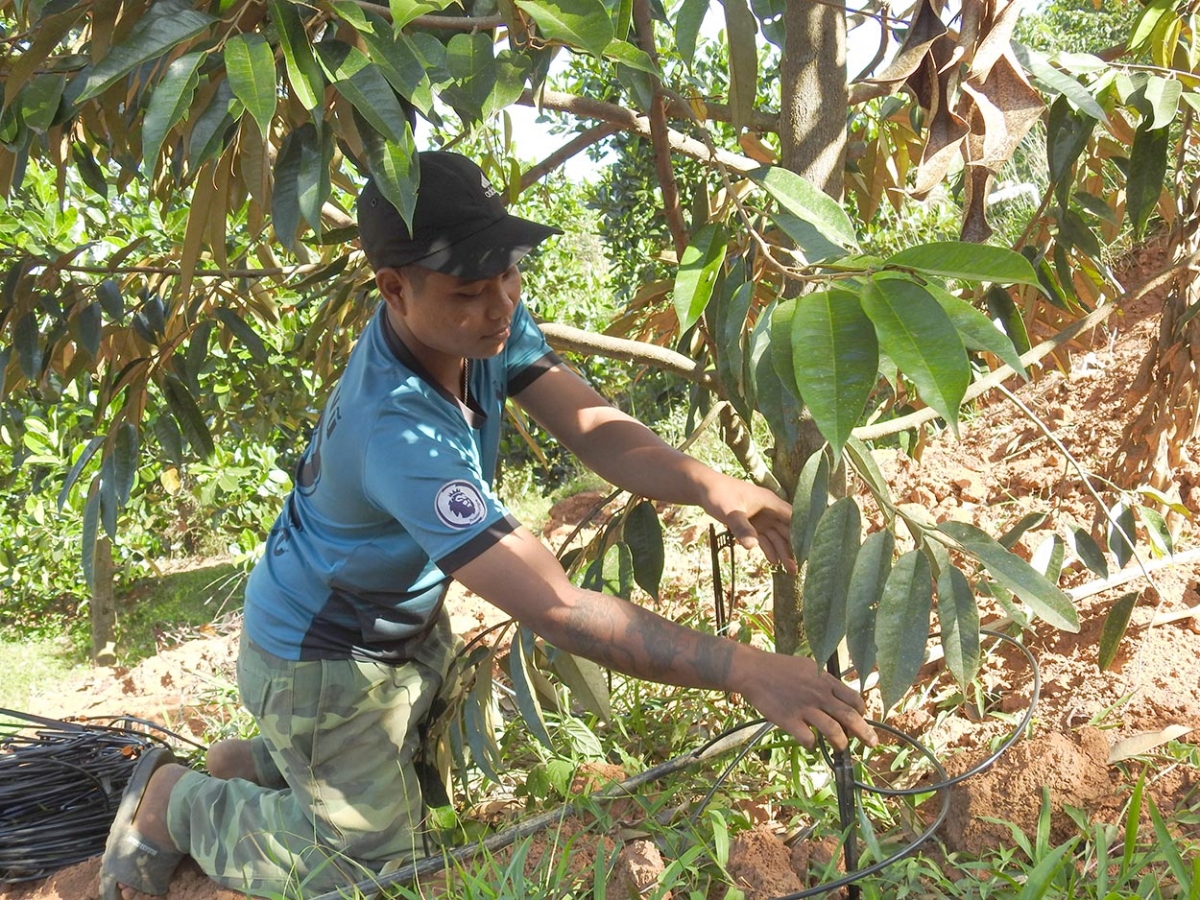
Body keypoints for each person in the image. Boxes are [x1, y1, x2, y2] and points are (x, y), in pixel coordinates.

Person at [99, 151, 876, 900]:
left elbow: (595, 427)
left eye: (507, 272)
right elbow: (555, 607)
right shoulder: (398, 431)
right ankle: (179, 803)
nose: (500, 302)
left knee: (406, 786)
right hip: (323, 656)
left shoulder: (477, 330)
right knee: (369, 872)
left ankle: (264, 764)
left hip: (389, 619)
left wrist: (712, 485)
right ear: (393, 288)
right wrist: (743, 667)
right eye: (471, 288)